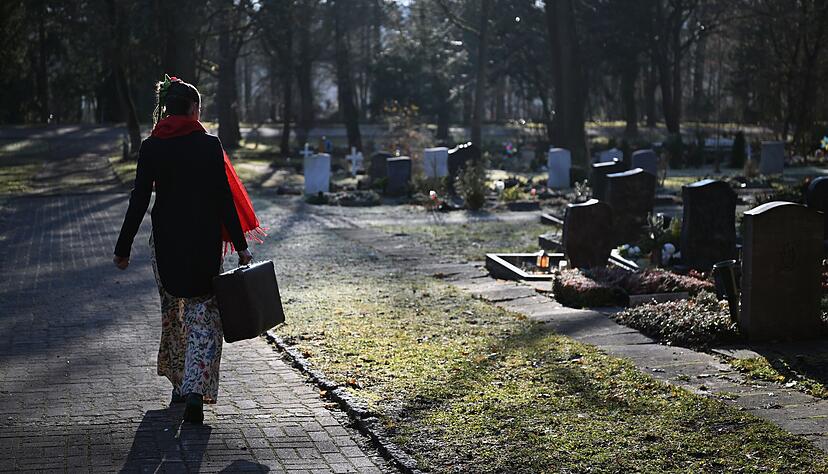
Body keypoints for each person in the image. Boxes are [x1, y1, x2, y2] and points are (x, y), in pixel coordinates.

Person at [113, 75, 261, 424]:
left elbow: (139, 200)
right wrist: (241, 247)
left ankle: (179, 385)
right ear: (193, 109)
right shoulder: (209, 145)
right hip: (204, 245)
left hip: (165, 246)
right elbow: (224, 200)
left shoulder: (152, 146)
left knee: (174, 314)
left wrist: (123, 248)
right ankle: (195, 389)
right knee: (204, 317)